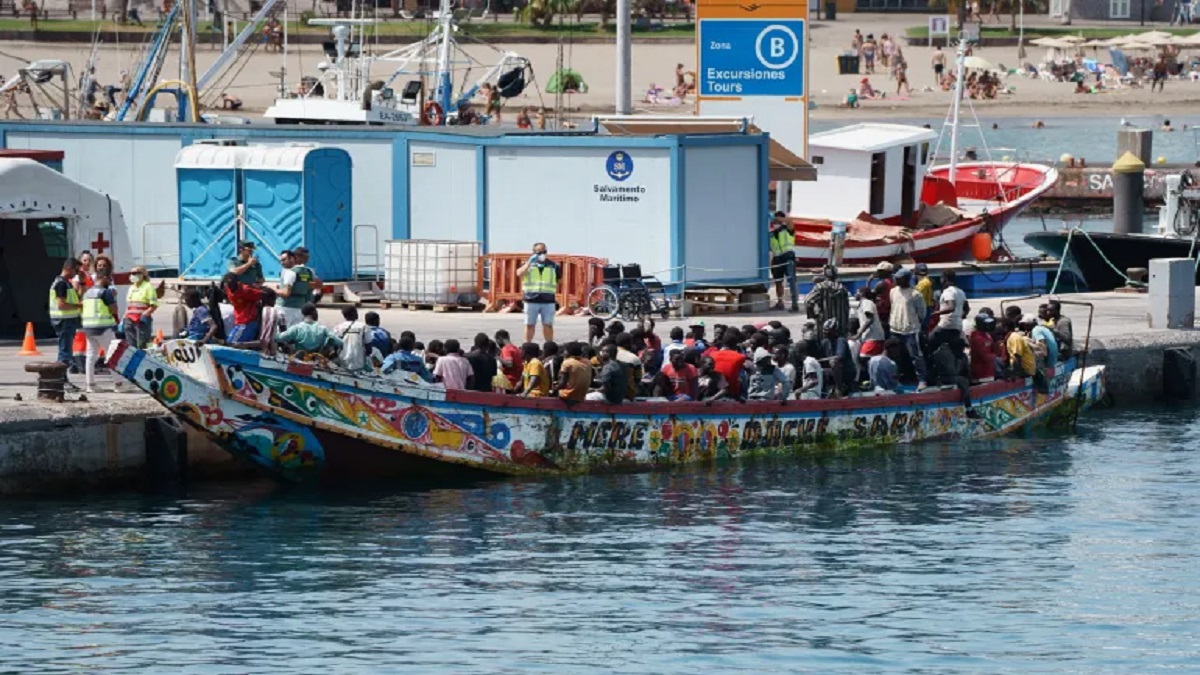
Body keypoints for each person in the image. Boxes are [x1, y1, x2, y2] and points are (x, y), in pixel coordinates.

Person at [80, 273, 121, 392]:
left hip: (89, 328)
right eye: (108, 279)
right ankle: (118, 384)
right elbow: (114, 309)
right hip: (104, 327)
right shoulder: (105, 292)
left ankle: (90, 385)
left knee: (91, 355)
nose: (110, 281)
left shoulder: (87, 293)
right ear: (103, 278)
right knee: (112, 355)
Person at [889, 267, 928, 389]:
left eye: (898, 278)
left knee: (916, 356)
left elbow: (922, 313)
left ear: (906, 279)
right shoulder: (893, 291)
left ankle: (922, 379)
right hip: (895, 329)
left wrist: (916, 324)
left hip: (911, 330)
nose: (896, 279)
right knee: (896, 356)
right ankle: (898, 378)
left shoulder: (916, 294)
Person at [516, 242, 560, 342]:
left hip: (548, 300)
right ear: (533, 252)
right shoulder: (527, 264)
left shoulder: (553, 265)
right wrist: (529, 263)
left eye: (544, 252)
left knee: (548, 325)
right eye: (539, 252)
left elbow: (558, 280)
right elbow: (519, 273)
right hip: (531, 299)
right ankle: (527, 346)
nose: (542, 254)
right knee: (529, 324)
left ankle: (549, 346)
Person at [50, 258, 84, 376]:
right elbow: (61, 305)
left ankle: (62, 379)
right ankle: (61, 379)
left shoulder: (66, 283)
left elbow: (75, 297)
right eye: (76, 270)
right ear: (69, 268)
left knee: (66, 351)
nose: (76, 274)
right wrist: (79, 305)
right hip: (64, 321)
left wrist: (82, 284)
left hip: (67, 321)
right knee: (65, 353)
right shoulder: (61, 284)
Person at [275, 303, 342, 357]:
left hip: (298, 359)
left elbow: (278, 338)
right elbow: (339, 342)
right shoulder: (323, 329)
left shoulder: (296, 328)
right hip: (316, 360)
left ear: (303, 314)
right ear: (314, 312)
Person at [929, 270, 968, 355]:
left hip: (946, 325)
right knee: (953, 350)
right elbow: (967, 308)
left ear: (944, 279)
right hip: (957, 326)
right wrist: (959, 317)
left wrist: (935, 313)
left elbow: (951, 307)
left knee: (929, 342)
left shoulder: (948, 291)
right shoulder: (961, 291)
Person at [805, 265, 851, 336]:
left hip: (823, 323)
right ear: (836, 275)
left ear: (825, 275)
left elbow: (808, 301)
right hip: (840, 325)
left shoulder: (820, 287)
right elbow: (847, 308)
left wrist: (814, 315)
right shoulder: (842, 288)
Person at [276, 249, 317, 329]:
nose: (307, 259)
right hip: (301, 307)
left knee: (285, 333)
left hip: (286, 307)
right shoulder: (308, 271)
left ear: (293, 258)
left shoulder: (290, 272)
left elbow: (286, 292)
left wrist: (273, 289)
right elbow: (317, 288)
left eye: (284, 260)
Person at [768, 211, 798, 311]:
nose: (776, 222)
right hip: (777, 259)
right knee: (778, 281)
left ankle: (794, 304)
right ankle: (780, 303)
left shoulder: (788, 229)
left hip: (788, 257)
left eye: (778, 220)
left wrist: (775, 218)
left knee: (791, 280)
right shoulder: (772, 233)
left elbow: (790, 221)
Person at [124, 265, 159, 350]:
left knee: (143, 345)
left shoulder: (148, 287)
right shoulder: (131, 288)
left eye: (135, 273)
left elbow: (154, 305)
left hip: (142, 321)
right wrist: (124, 318)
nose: (132, 275)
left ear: (142, 274)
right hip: (130, 320)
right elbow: (129, 306)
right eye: (131, 273)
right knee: (131, 346)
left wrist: (145, 314)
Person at [222, 274, 263, 345]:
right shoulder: (227, 289)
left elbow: (265, 295)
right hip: (239, 322)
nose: (230, 286)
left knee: (231, 343)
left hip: (248, 322)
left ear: (237, 282)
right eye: (228, 284)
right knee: (231, 342)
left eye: (232, 284)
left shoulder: (246, 290)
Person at [710, 331, 748, 400]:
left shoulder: (712, 354)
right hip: (732, 393)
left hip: (713, 391)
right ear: (735, 344)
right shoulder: (740, 357)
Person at [856, 286, 886, 358]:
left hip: (872, 337)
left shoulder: (866, 302)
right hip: (872, 337)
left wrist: (858, 334)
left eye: (857, 292)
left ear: (862, 294)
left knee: (864, 358)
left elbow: (870, 319)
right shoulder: (865, 303)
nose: (855, 294)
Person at [333, 307, 367, 371]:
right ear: (353, 314)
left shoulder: (338, 327)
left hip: (343, 361)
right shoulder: (363, 326)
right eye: (356, 312)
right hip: (358, 362)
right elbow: (368, 345)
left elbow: (335, 345)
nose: (357, 314)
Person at [1006, 312, 1036, 379]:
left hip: (1028, 372)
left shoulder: (1021, 336)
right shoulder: (1016, 337)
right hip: (1024, 372)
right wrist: (1019, 373)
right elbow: (1016, 356)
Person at [969, 313, 997, 383]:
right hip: (981, 374)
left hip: (989, 371)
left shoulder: (987, 335)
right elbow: (985, 356)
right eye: (986, 323)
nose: (988, 325)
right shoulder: (976, 338)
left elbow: (994, 350)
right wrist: (995, 357)